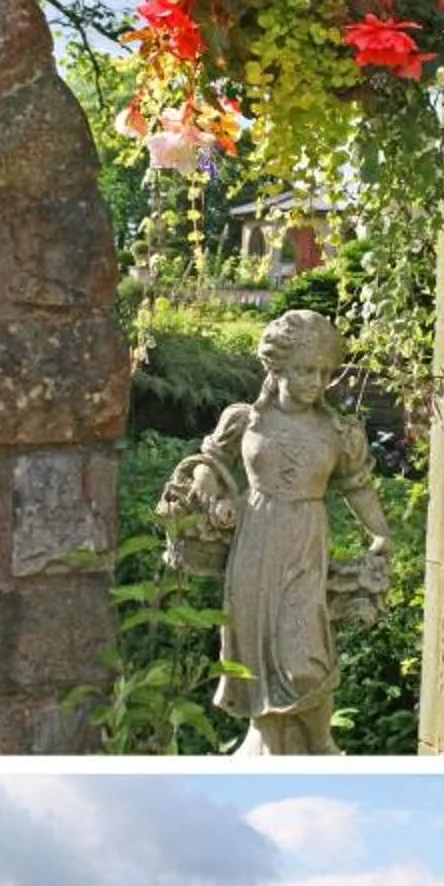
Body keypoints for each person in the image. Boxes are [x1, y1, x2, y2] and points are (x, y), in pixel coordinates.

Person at [157, 309, 391, 755]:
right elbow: (208, 464)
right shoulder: (246, 420)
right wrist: (215, 499)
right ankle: (266, 742)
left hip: (304, 541)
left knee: (304, 655)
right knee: (255, 652)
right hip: (255, 537)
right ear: (278, 368)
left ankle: (320, 744)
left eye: (324, 373)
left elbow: (357, 486)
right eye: (305, 370)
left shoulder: (337, 431)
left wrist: (379, 533)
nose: (315, 382)